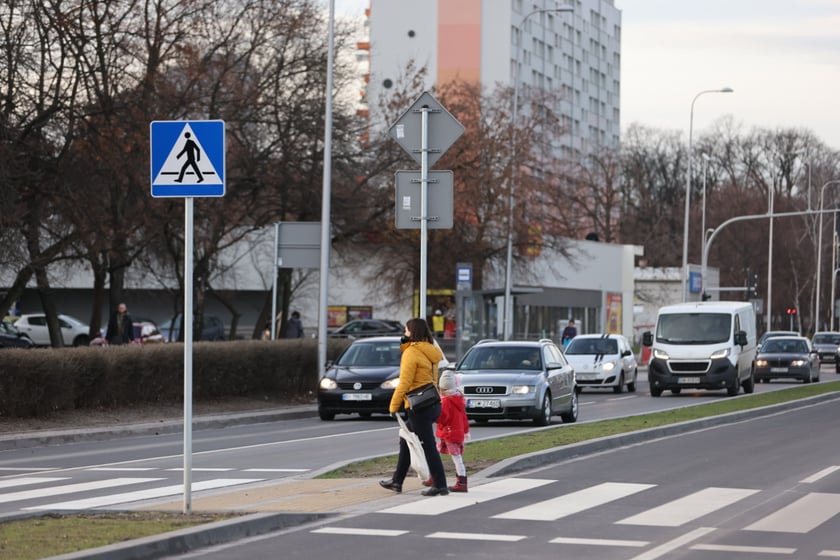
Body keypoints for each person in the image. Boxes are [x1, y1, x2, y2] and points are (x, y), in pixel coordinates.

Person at [380, 317, 448, 496]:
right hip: (432, 403)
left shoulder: (411, 353)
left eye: (406, 330)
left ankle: (440, 484)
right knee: (406, 438)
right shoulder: (431, 350)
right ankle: (397, 481)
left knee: (428, 446)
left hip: (418, 406)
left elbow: (405, 382)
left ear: (412, 332)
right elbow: (432, 379)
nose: (404, 332)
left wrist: (393, 406)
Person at [422, 370, 470, 492]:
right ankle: (435, 475)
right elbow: (464, 418)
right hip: (455, 432)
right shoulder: (459, 399)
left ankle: (461, 481)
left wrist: (434, 415)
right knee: (439, 453)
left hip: (449, 433)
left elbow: (443, 418)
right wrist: (465, 431)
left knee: (455, 457)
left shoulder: (446, 401)